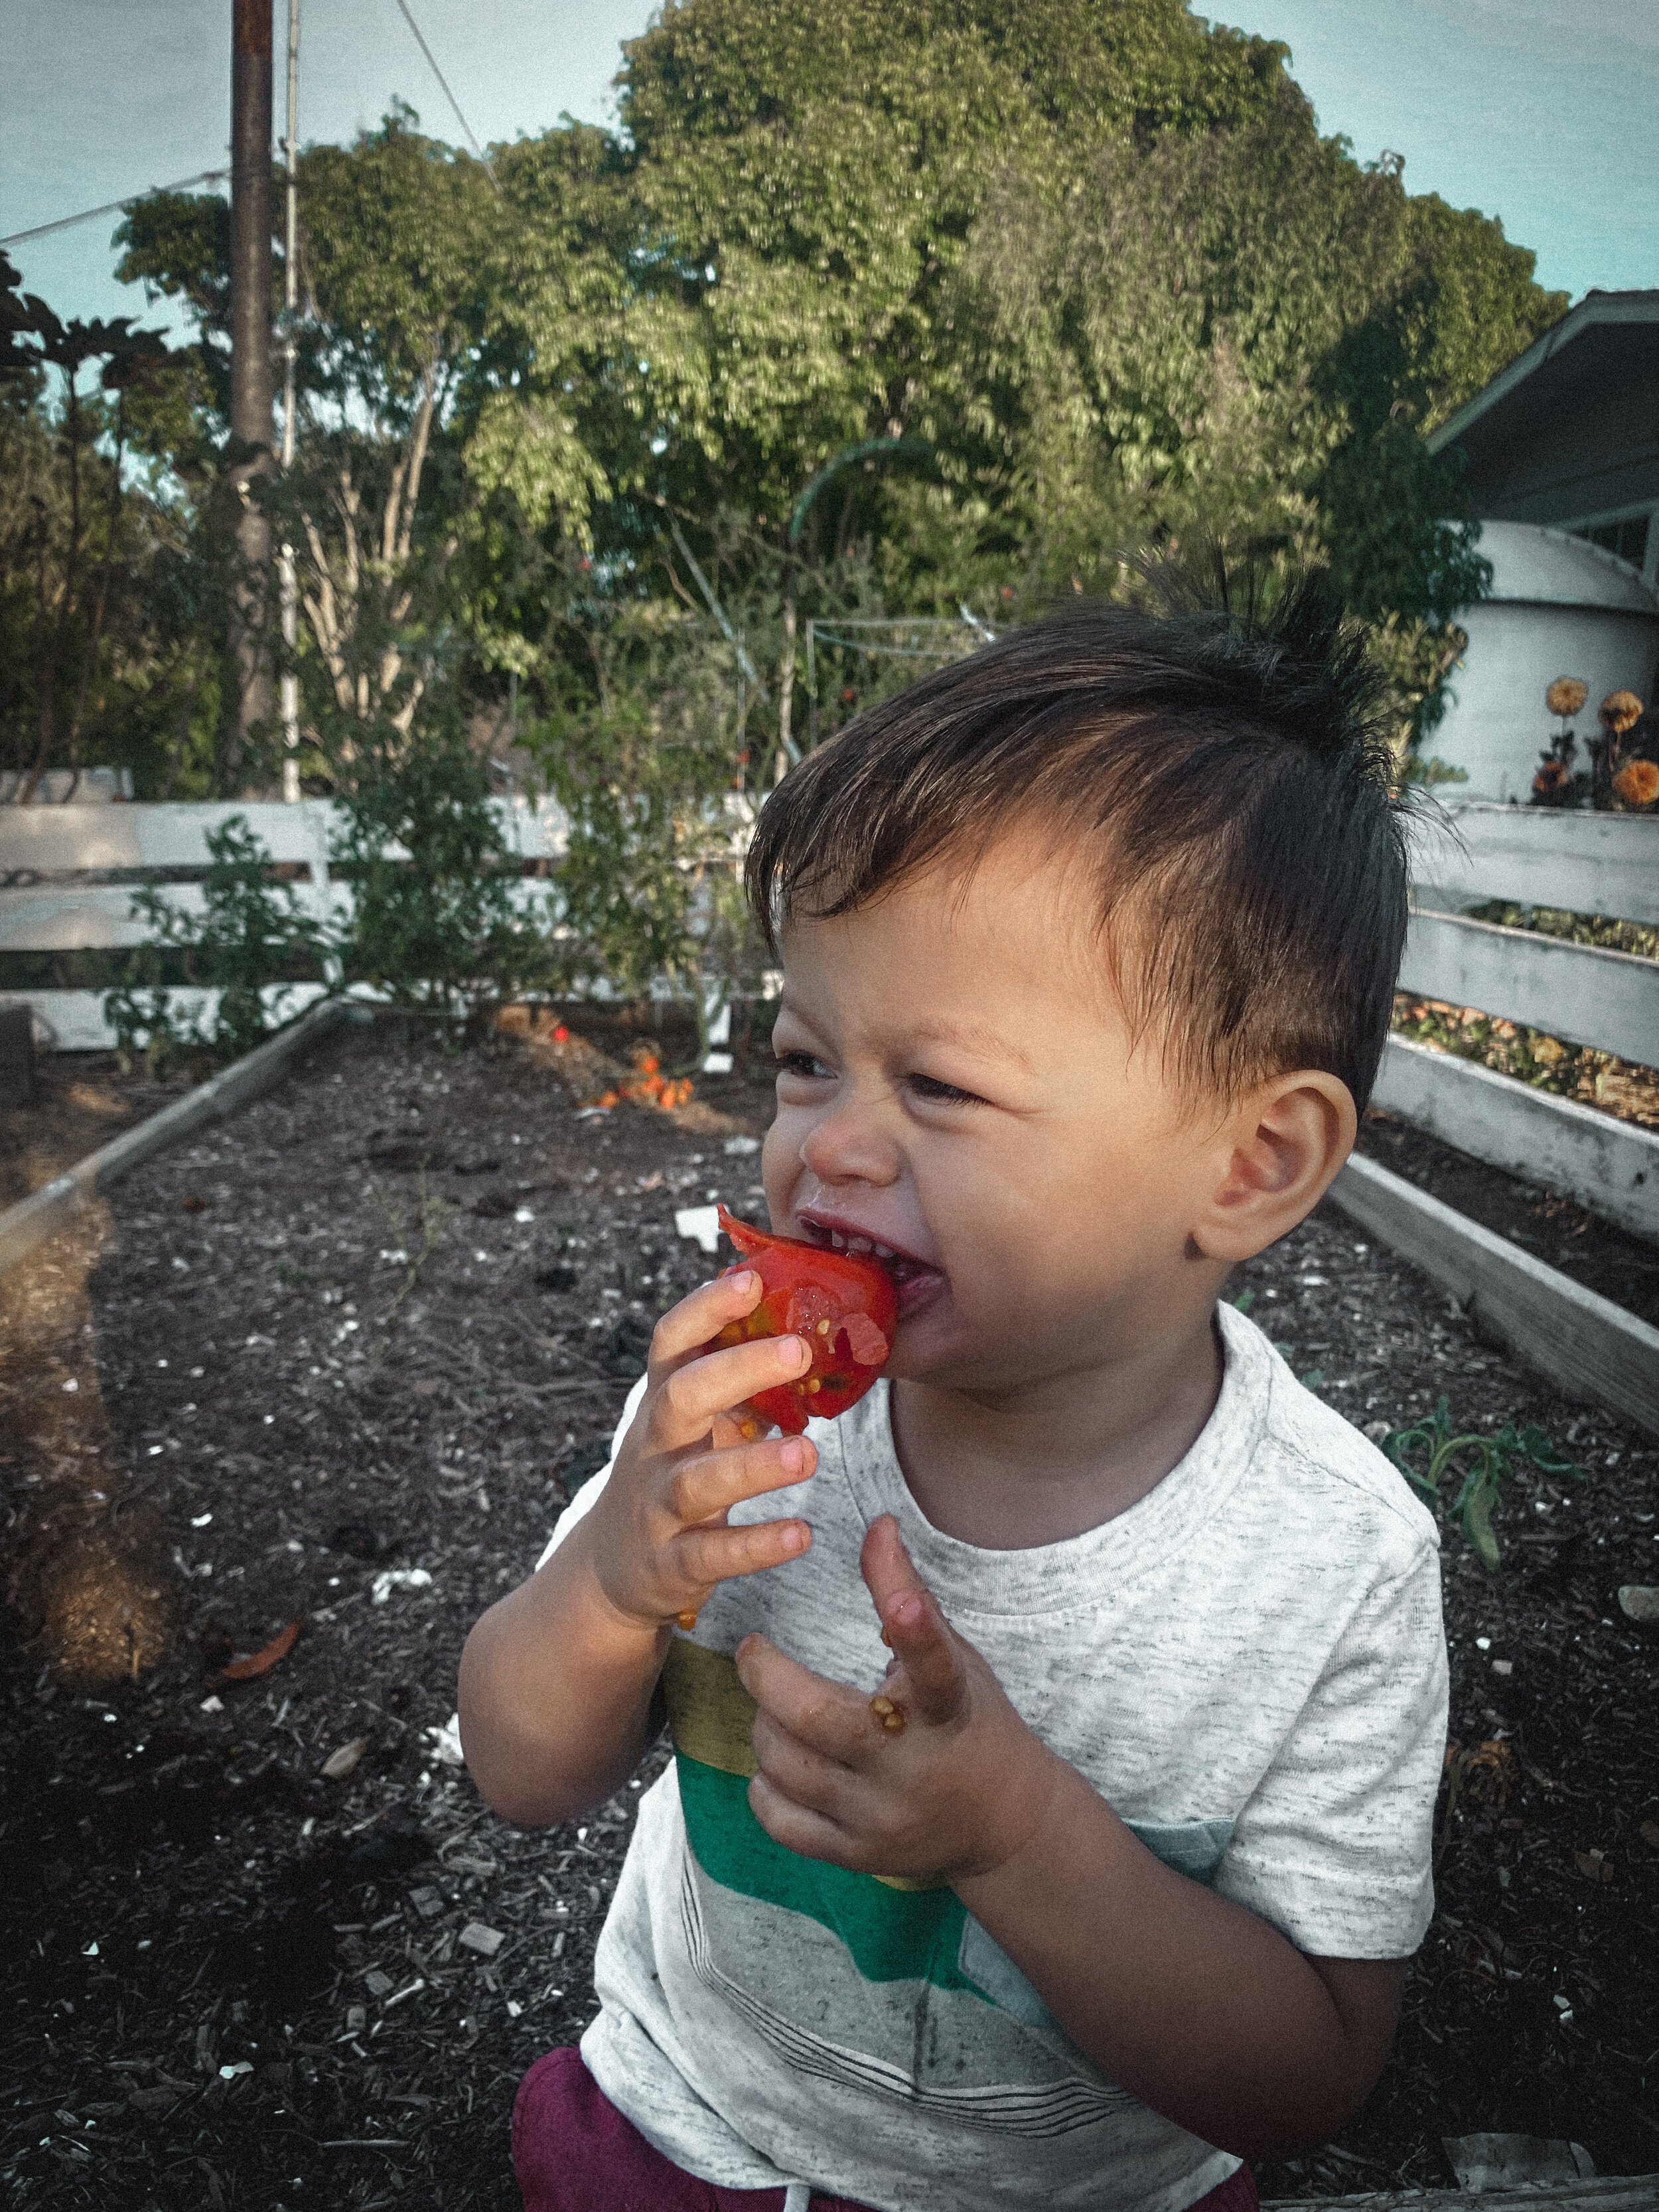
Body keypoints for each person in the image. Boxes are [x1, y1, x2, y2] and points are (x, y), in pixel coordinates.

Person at [459, 583, 1449, 2212]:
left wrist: (1017, 1839)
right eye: (802, 1059)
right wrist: (613, 1580)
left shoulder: (1329, 1567)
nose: (826, 1144)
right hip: (694, 2130)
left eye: (938, 1084)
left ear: (1248, 1161)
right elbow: (517, 1767)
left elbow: (1309, 2070)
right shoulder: (741, 1425)